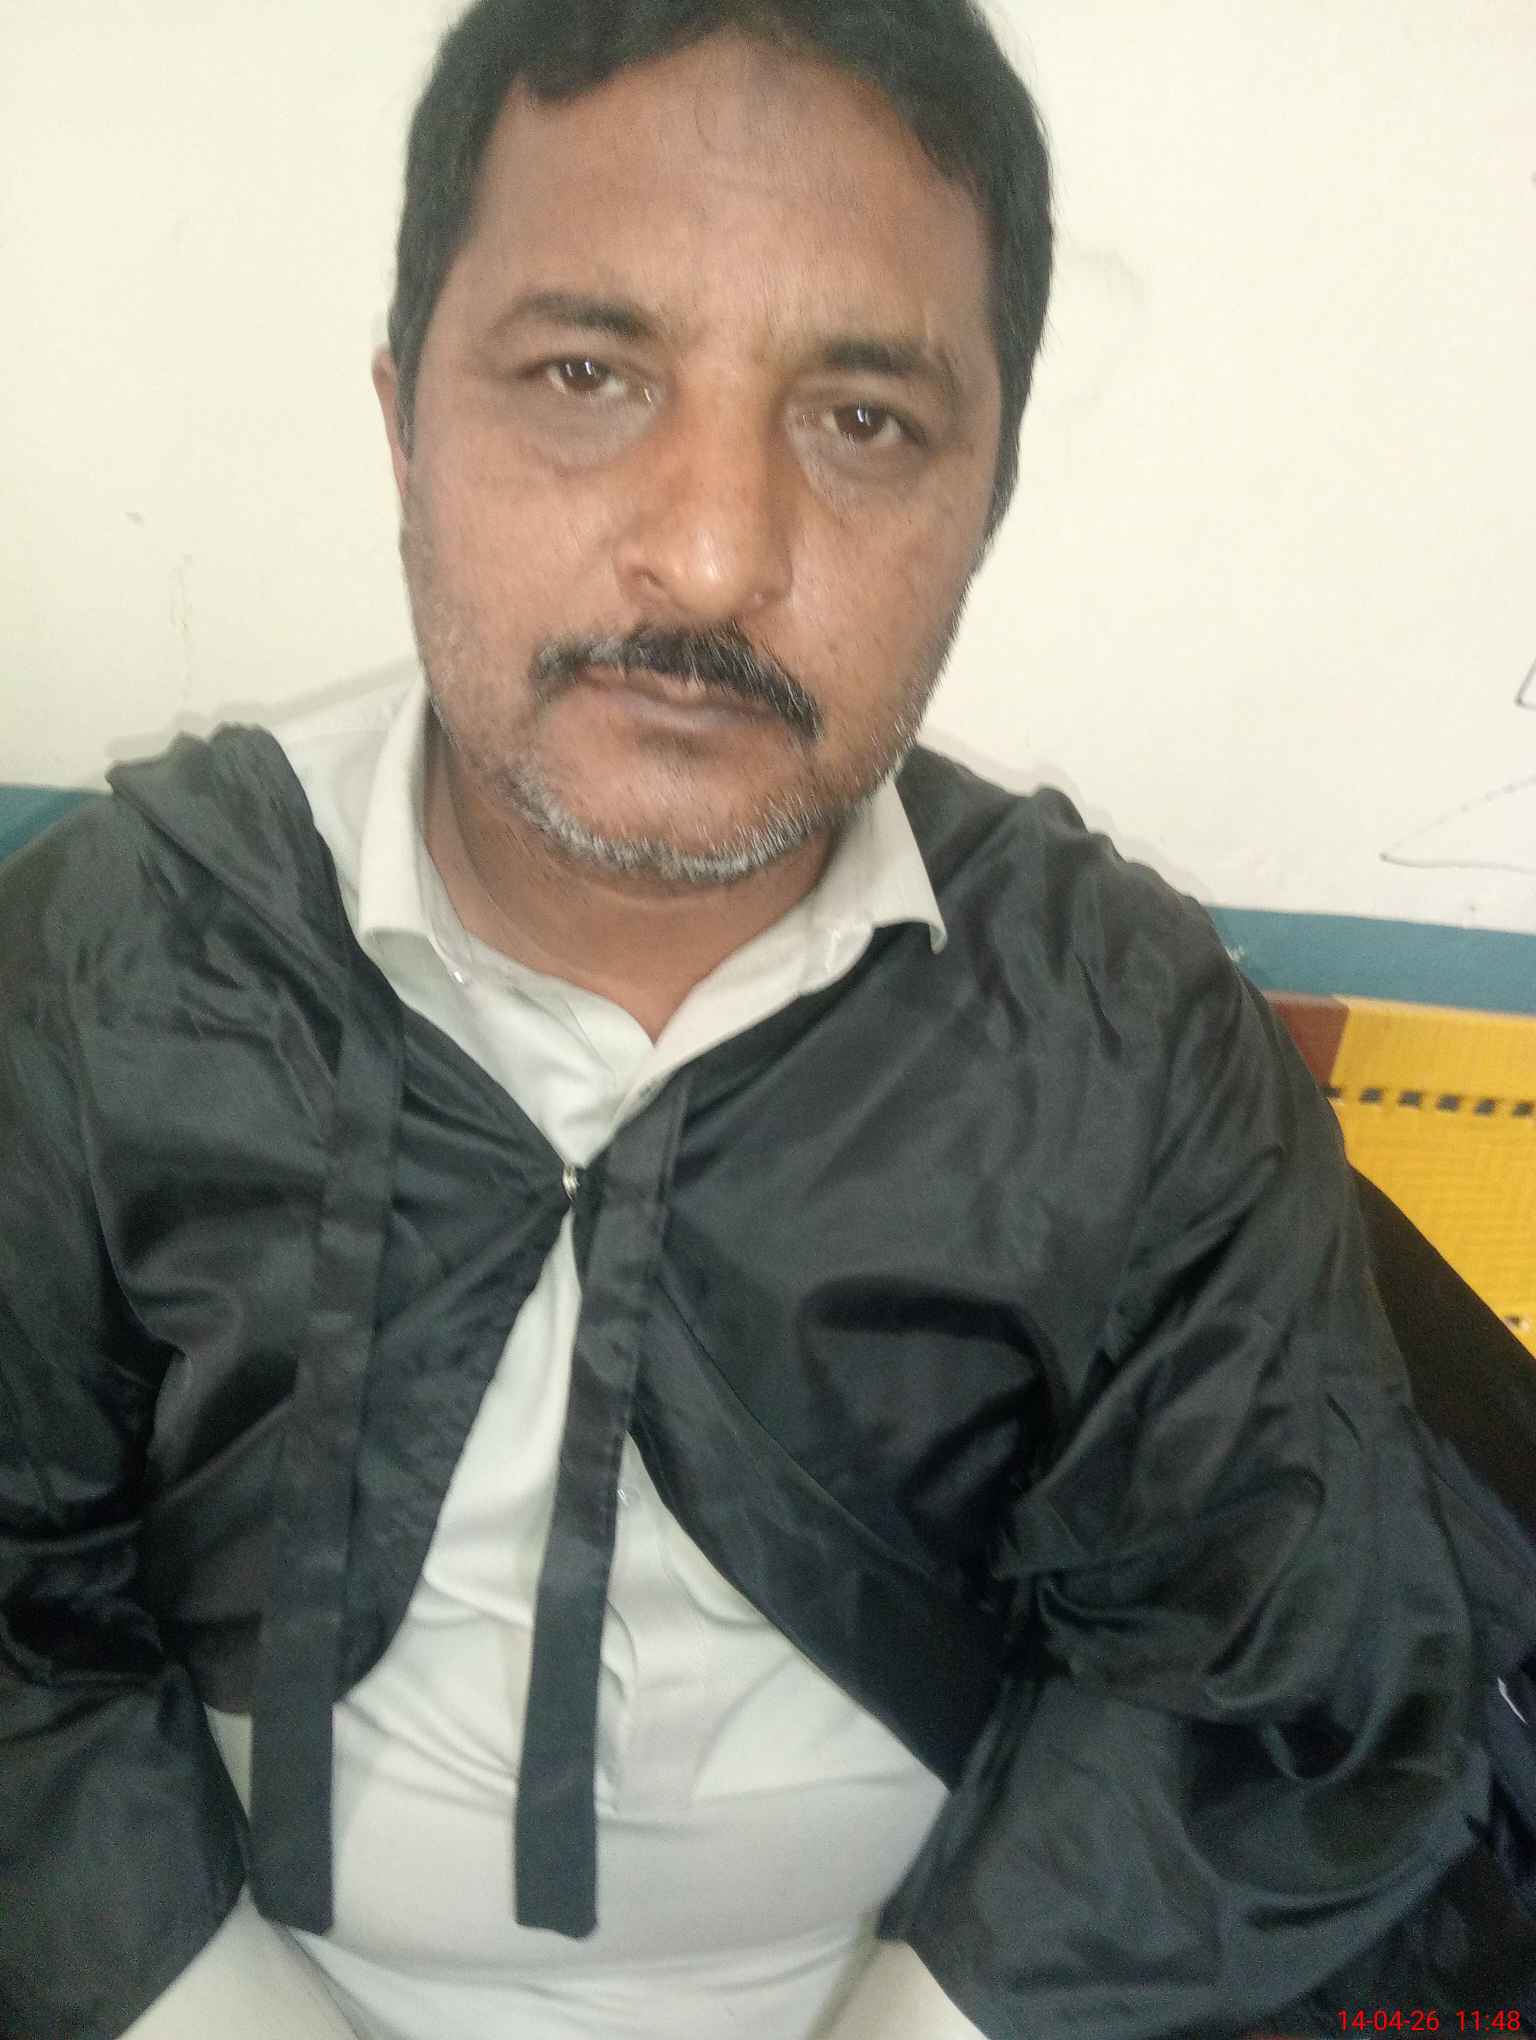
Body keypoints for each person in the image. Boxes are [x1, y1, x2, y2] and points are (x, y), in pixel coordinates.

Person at [1, 3, 1533, 2036]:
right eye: (585, 374)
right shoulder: (116, 956)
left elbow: (1237, 1670)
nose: (715, 555)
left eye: (864, 421)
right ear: (403, 423)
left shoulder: (1127, 1042)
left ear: (986, 500)